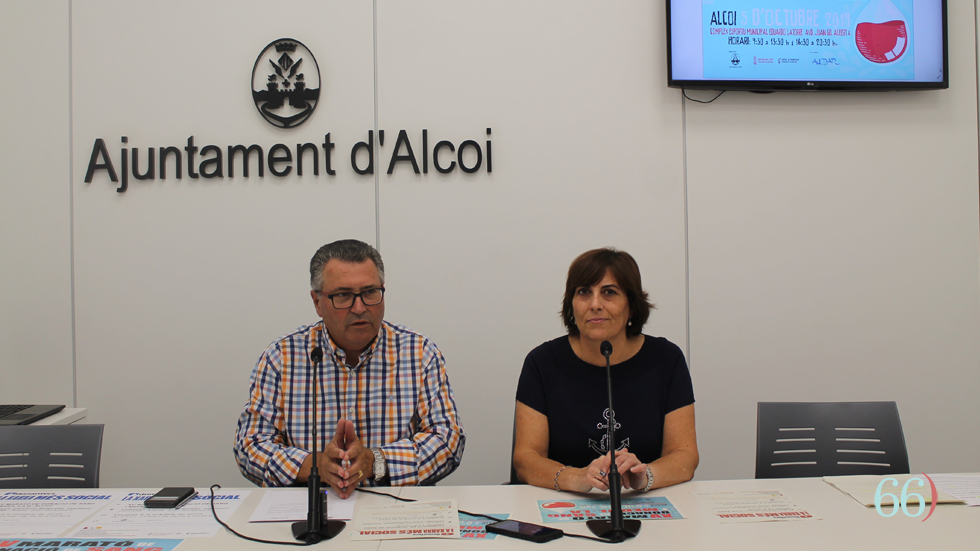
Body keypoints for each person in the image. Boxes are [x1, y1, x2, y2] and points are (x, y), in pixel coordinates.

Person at [234, 239, 465, 497]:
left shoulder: (419, 353)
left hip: (396, 508)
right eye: (343, 295)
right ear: (317, 302)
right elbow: (250, 447)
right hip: (311, 506)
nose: (359, 307)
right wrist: (316, 466)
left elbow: (448, 441)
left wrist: (376, 462)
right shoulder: (282, 357)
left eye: (370, 292)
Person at [513, 247, 698, 493]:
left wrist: (644, 477)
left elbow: (685, 455)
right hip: (562, 504)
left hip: (643, 504)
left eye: (609, 292)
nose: (595, 304)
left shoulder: (666, 359)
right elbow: (525, 459)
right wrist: (576, 478)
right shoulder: (543, 362)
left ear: (631, 304)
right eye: (584, 292)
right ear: (572, 304)